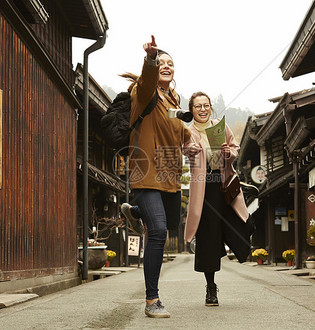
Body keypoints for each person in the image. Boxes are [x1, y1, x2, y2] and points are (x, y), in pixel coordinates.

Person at [121, 35, 192, 318]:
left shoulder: (171, 99)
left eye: (170, 63)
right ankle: (152, 300)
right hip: (146, 171)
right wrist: (150, 60)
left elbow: (179, 129)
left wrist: (192, 140)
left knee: (170, 223)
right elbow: (148, 78)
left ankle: (135, 211)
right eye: (162, 63)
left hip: (169, 174)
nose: (167, 66)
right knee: (159, 231)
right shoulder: (144, 90)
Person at [183, 91, 252, 307]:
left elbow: (234, 147)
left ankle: (241, 249)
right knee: (208, 238)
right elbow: (184, 149)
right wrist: (191, 150)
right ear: (191, 109)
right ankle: (211, 287)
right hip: (203, 187)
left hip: (224, 184)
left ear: (211, 108)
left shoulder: (219, 126)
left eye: (206, 105)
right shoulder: (188, 131)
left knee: (243, 223)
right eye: (198, 106)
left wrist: (228, 153)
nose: (202, 109)